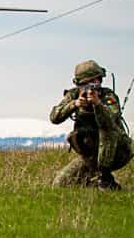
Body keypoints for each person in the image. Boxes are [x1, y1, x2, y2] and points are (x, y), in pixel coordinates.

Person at [49, 59, 130, 190]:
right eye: (85, 84)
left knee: (106, 130)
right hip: (91, 155)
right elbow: (54, 117)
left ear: (99, 80)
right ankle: (99, 183)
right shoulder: (74, 95)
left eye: (93, 82)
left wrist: (97, 104)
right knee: (60, 184)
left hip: (117, 151)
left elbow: (109, 122)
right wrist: (74, 104)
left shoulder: (108, 96)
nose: (89, 87)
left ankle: (104, 178)